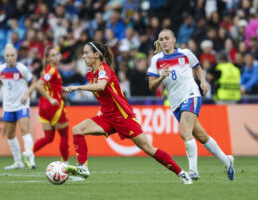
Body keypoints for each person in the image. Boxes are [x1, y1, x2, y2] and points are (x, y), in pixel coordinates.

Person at [63, 41, 192, 184]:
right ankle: (83, 168)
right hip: (107, 116)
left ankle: (181, 173)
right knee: (77, 129)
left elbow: (101, 86)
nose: (83, 56)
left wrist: (77, 87)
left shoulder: (104, 70)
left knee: (148, 148)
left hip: (123, 117)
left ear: (97, 55)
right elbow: (105, 96)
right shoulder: (90, 74)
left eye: (86, 53)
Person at [147, 29, 235, 181]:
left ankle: (193, 171)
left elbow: (198, 67)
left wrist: (202, 81)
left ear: (174, 40)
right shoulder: (156, 60)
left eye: (167, 38)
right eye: (161, 39)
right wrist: (161, 77)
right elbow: (151, 86)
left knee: (184, 131)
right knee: (201, 135)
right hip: (175, 103)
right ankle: (227, 161)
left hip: (191, 94)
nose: (164, 41)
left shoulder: (186, 54)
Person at [22, 46, 70, 166]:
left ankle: (28, 152)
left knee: (48, 137)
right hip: (54, 106)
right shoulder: (52, 70)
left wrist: (61, 89)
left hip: (43, 106)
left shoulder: (46, 70)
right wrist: (51, 98)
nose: (56, 57)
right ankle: (66, 165)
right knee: (64, 136)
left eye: (57, 54)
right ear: (48, 58)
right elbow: (39, 85)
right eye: (53, 55)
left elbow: (47, 86)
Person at [0, 44, 36, 170]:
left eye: (12, 55)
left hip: (22, 104)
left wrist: (27, 94)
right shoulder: (1, 70)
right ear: (4, 57)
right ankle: (18, 162)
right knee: (10, 134)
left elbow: (33, 82)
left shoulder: (22, 69)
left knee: (25, 130)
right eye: (7, 56)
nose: (10, 58)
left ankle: (30, 160)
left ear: (16, 56)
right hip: (8, 105)